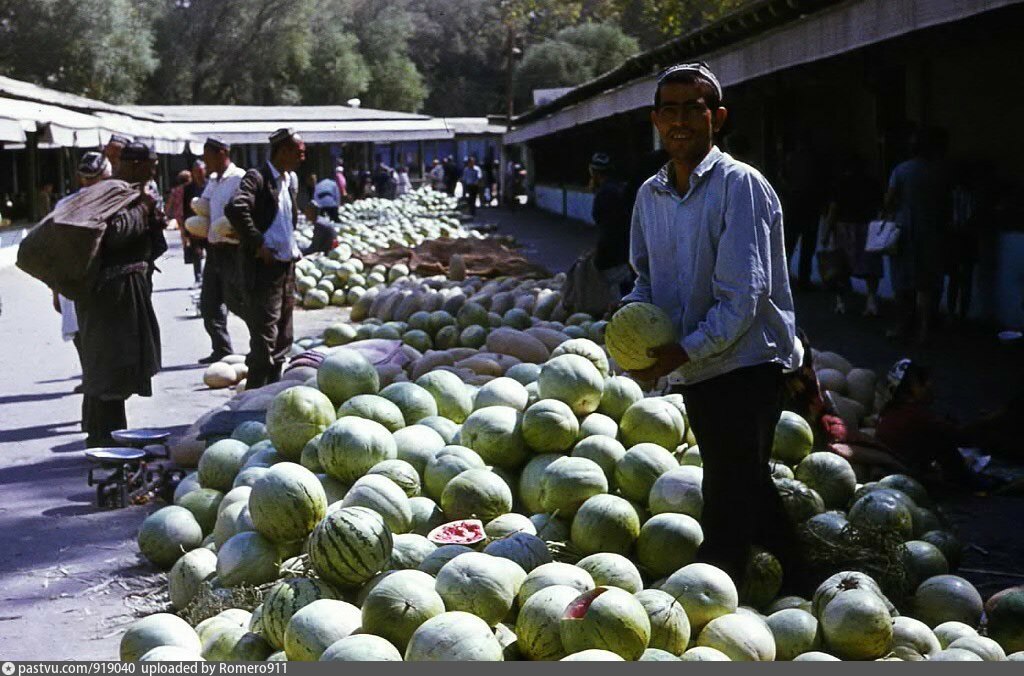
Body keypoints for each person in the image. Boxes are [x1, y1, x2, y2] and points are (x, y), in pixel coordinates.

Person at [623, 62, 803, 587]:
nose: (680, 121)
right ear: (655, 120)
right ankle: (802, 578)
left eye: (693, 109)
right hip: (699, 365)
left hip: (747, 362)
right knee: (743, 480)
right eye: (669, 110)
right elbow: (644, 282)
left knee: (728, 488)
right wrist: (635, 335)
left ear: (717, 117)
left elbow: (743, 297)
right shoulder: (648, 195)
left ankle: (717, 590)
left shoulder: (739, 185)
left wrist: (683, 350)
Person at [76, 142, 165, 447]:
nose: (154, 171)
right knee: (110, 373)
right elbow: (115, 233)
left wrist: (154, 221)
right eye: (151, 165)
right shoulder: (113, 191)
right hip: (111, 297)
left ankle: (104, 438)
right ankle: (107, 444)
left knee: (118, 370)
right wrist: (144, 207)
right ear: (137, 164)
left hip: (126, 293)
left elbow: (153, 244)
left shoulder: (135, 191)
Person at [225, 128, 305, 389]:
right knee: (264, 338)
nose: (302, 157)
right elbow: (236, 208)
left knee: (283, 335)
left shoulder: (289, 179)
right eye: (299, 152)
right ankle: (253, 396)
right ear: (283, 151)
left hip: (285, 267)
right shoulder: (256, 177)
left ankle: (272, 391)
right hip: (263, 270)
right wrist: (258, 242)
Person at [875, 358, 995, 490]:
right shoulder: (918, 416)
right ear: (906, 393)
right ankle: (973, 485)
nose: (930, 384)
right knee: (942, 442)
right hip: (904, 476)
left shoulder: (890, 410)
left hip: (898, 468)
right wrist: (989, 420)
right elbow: (962, 437)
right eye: (922, 381)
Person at [52, 151, 113, 395]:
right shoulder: (64, 205)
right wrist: (55, 289)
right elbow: (55, 250)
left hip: (103, 280)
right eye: (86, 179)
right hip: (74, 279)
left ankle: (98, 376)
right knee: (79, 329)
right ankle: (91, 374)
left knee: (100, 332)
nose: (90, 184)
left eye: (94, 178)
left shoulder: (114, 204)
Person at [884, 127, 952, 344]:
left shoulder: (901, 170)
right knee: (927, 284)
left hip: (906, 231)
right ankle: (924, 329)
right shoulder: (938, 172)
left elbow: (889, 200)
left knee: (903, 283)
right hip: (932, 231)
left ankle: (902, 326)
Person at [198, 137, 246, 364]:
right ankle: (222, 348)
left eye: (208, 157)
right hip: (214, 248)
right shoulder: (213, 180)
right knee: (209, 302)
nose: (206, 162)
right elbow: (205, 206)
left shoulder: (239, 178)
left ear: (222, 153)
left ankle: (263, 342)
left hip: (232, 250)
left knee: (237, 300)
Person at [822, 154, 883, 316]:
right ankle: (871, 301)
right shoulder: (872, 183)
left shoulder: (840, 183)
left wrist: (826, 232)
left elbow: (833, 209)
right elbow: (880, 205)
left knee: (840, 266)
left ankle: (841, 302)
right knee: (870, 265)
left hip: (844, 227)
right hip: (866, 226)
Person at [781, 139, 827, 291]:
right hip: (811, 206)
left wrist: (789, 190)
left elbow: (782, 177)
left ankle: (783, 278)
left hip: (794, 204)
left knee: (788, 245)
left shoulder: (790, 159)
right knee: (808, 246)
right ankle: (804, 279)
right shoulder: (816, 161)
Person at [588, 152, 633, 302]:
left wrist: (599, 257)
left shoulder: (605, 194)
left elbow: (609, 229)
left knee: (620, 299)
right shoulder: (621, 188)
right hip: (629, 253)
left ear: (594, 173)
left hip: (615, 256)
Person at [182, 160, 208, 286]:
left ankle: (209, 278)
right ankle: (198, 277)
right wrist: (186, 230)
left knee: (211, 253)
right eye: (196, 171)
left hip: (208, 224)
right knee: (196, 252)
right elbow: (185, 209)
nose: (199, 174)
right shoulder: (188, 189)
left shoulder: (210, 185)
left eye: (201, 171)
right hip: (194, 224)